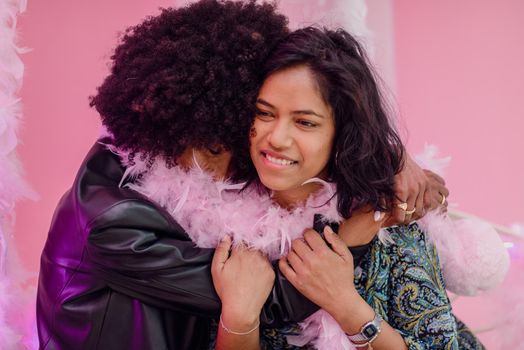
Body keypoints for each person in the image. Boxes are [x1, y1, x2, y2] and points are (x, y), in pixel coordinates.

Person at [36, 1, 449, 350]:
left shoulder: (394, 235)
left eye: (235, 137)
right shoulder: (114, 220)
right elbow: (263, 300)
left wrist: (389, 157)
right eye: (262, 116)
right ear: (166, 131)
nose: (230, 165)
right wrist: (356, 234)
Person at [211, 27, 484, 349]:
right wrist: (240, 318)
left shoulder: (388, 219)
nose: (277, 138)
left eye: (305, 122)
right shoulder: (215, 221)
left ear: (342, 135)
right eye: (265, 113)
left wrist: (344, 304)